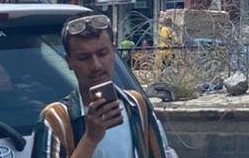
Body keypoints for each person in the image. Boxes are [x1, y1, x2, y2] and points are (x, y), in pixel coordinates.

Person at [31, 13, 169, 158]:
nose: (96, 65)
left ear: (114, 52)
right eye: (84, 58)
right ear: (69, 62)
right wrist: (90, 139)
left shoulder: (136, 105)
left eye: (102, 54)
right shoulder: (56, 118)